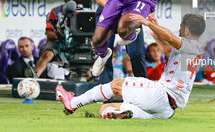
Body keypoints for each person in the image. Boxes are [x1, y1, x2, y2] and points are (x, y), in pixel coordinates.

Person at [56, 13, 205, 119]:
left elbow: (172, 38)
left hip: (161, 95)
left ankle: (73, 103)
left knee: (116, 85)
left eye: (180, 28)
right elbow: (168, 49)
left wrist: (149, 23)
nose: (178, 31)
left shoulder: (190, 45)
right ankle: (127, 113)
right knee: (105, 108)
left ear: (186, 30)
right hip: (166, 111)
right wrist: (155, 33)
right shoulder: (196, 49)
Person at [82, 0, 148, 82]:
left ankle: (144, 92)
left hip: (131, 12)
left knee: (137, 54)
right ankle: (106, 97)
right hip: (108, 11)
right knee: (104, 56)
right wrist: (99, 0)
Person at [34, 0, 76, 79]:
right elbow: (48, 32)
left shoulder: (84, 11)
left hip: (78, 42)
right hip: (58, 41)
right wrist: (60, 36)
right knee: (48, 52)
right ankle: (35, 76)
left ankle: (95, 78)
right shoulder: (55, 11)